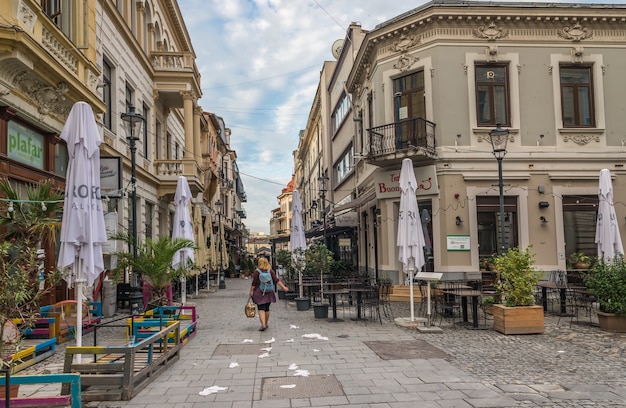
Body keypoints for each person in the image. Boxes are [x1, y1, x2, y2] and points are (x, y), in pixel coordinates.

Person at [249, 257, 288, 331]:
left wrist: (251, 291)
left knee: (261, 308)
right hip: (269, 292)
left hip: (259, 292)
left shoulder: (257, 272)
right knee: (267, 308)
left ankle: (263, 324)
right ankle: (266, 323)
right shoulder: (270, 271)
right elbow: (276, 280)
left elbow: (254, 283)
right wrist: (283, 287)